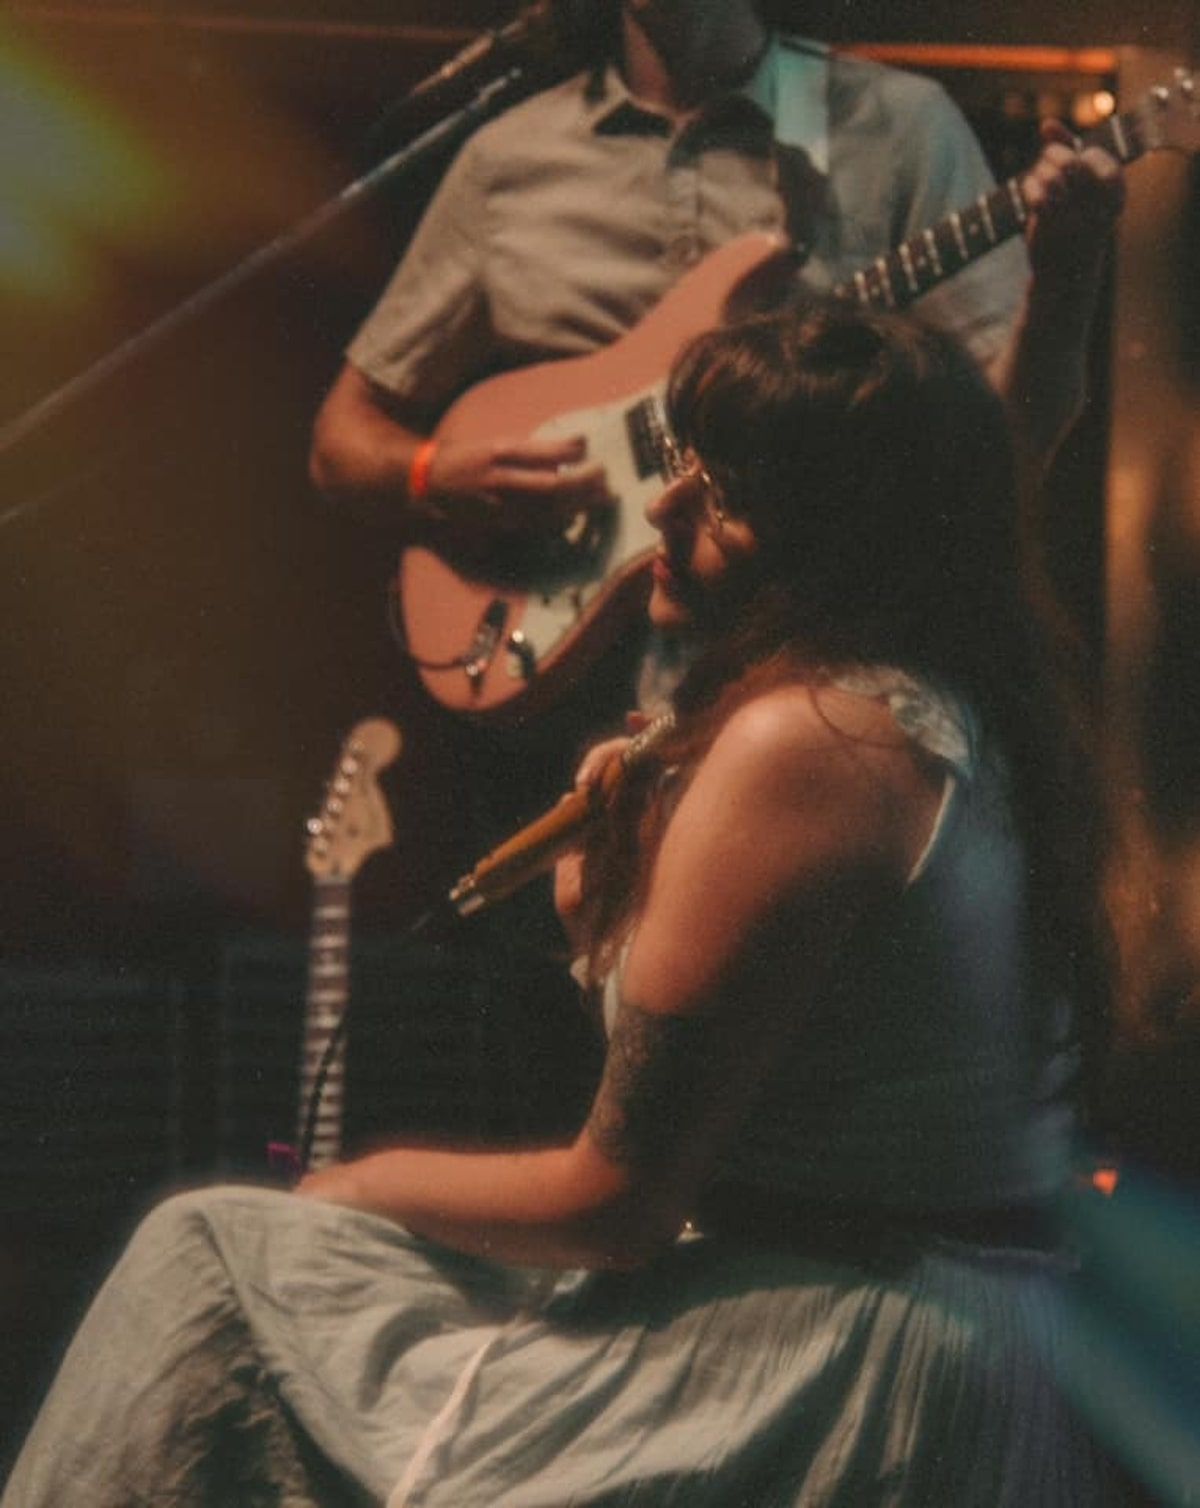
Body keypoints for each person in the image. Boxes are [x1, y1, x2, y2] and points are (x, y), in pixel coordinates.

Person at [3, 303, 1128, 1505]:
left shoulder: (807, 742)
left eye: (724, 492)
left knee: (214, 1255)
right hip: (944, 1330)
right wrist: (603, 897)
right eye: (683, 464)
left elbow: (616, 1202)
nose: (665, 508)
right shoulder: (940, 715)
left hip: (832, 1358)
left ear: (835, 539)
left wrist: (350, 1187)